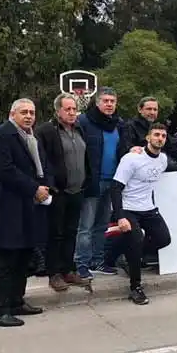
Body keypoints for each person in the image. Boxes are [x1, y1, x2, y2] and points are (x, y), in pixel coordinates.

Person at [109, 123, 177, 304]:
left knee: (163, 239)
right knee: (135, 240)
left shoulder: (163, 159)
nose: (160, 138)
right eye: (156, 135)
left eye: (163, 136)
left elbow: (166, 167)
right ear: (148, 138)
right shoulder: (131, 159)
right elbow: (115, 188)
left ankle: (130, 256)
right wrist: (120, 216)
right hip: (128, 208)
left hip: (148, 208)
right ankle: (135, 288)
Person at [0, 99, 50, 327]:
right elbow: (5, 170)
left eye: (32, 112)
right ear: (12, 113)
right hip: (9, 205)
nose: (29, 116)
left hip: (29, 204)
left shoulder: (31, 136)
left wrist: (45, 186)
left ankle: (16, 301)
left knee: (24, 255)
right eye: (24, 112)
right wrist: (34, 188)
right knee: (8, 257)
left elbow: (40, 165)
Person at [35, 93, 90, 292]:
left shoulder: (79, 130)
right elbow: (41, 161)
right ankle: (54, 273)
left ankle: (68, 269)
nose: (72, 112)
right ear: (58, 110)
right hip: (59, 191)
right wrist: (50, 185)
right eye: (67, 109)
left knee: (71, 232)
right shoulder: (46, 131)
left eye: (74, 109)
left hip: (78, 190)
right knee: (55, 233)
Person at [76, 88, 128, 280]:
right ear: (97, 103)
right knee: (85, 226)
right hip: (92, 181)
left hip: (112, 182)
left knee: (102, 225)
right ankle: (81, 263)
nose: (109, 104)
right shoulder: (84, 121)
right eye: (105, 100)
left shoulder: (119, 124)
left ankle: (97, 261)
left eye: (112, 101)